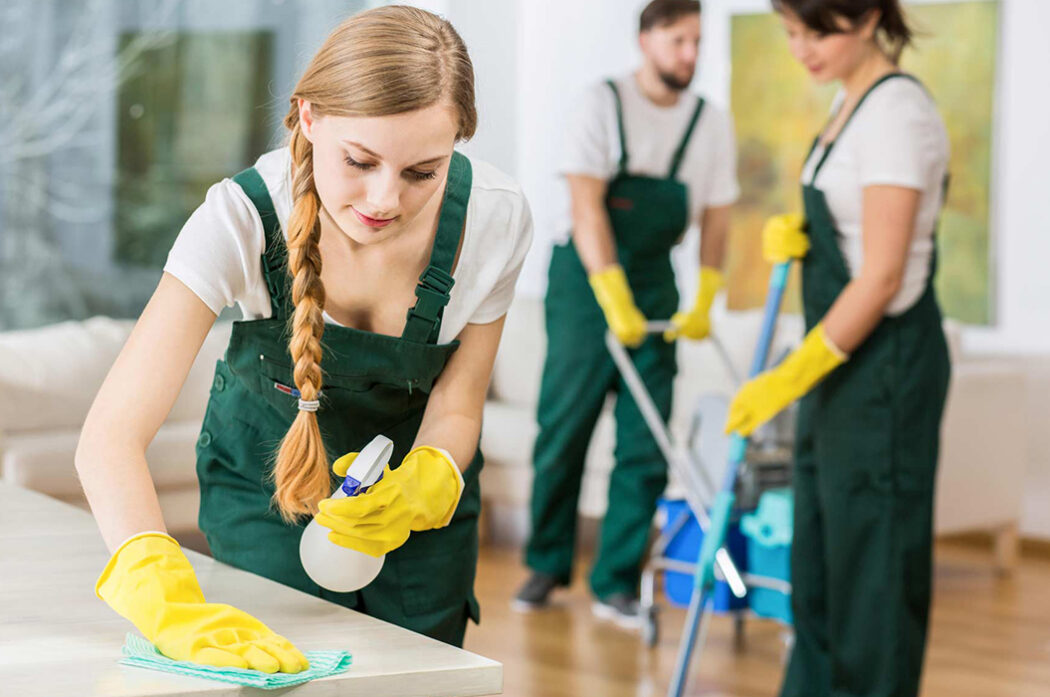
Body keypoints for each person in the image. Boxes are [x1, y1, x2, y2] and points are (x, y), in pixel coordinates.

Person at [75, 5, 533, 670]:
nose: (385, 199)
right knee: (284, 672)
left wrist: (425, 483)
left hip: (411, 515)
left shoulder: (495, 220)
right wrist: (164, 600)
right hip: (268, 496)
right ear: (310, 118)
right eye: (360, 160)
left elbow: (459, 405)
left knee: (420, 681)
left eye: (422, 172)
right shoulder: (240, 220)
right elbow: (109, 436)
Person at [726, 1, 951, 695]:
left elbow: (882, 275)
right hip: (842, 362)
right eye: (792, 30)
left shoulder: (896, 114)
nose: (801, 47)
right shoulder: (847, 101)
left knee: (872, 567)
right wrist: (803, 229)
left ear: (867, 17)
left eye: (816, 30)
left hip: (884, 364)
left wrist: (793, 371)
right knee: (821, 556)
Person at [515, 0, 739, 626]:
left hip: (656, 281)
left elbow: (718, 215)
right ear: (646, 40)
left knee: (647, 437)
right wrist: (612, 295)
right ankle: (546, 564)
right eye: (677, 41)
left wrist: (705, 294)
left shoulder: (709, 123)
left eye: (697, 42)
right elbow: (586, 206)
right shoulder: (602, 104)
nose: (689, 54)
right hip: (587, 280)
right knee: (567, 425)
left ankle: (613, 580)